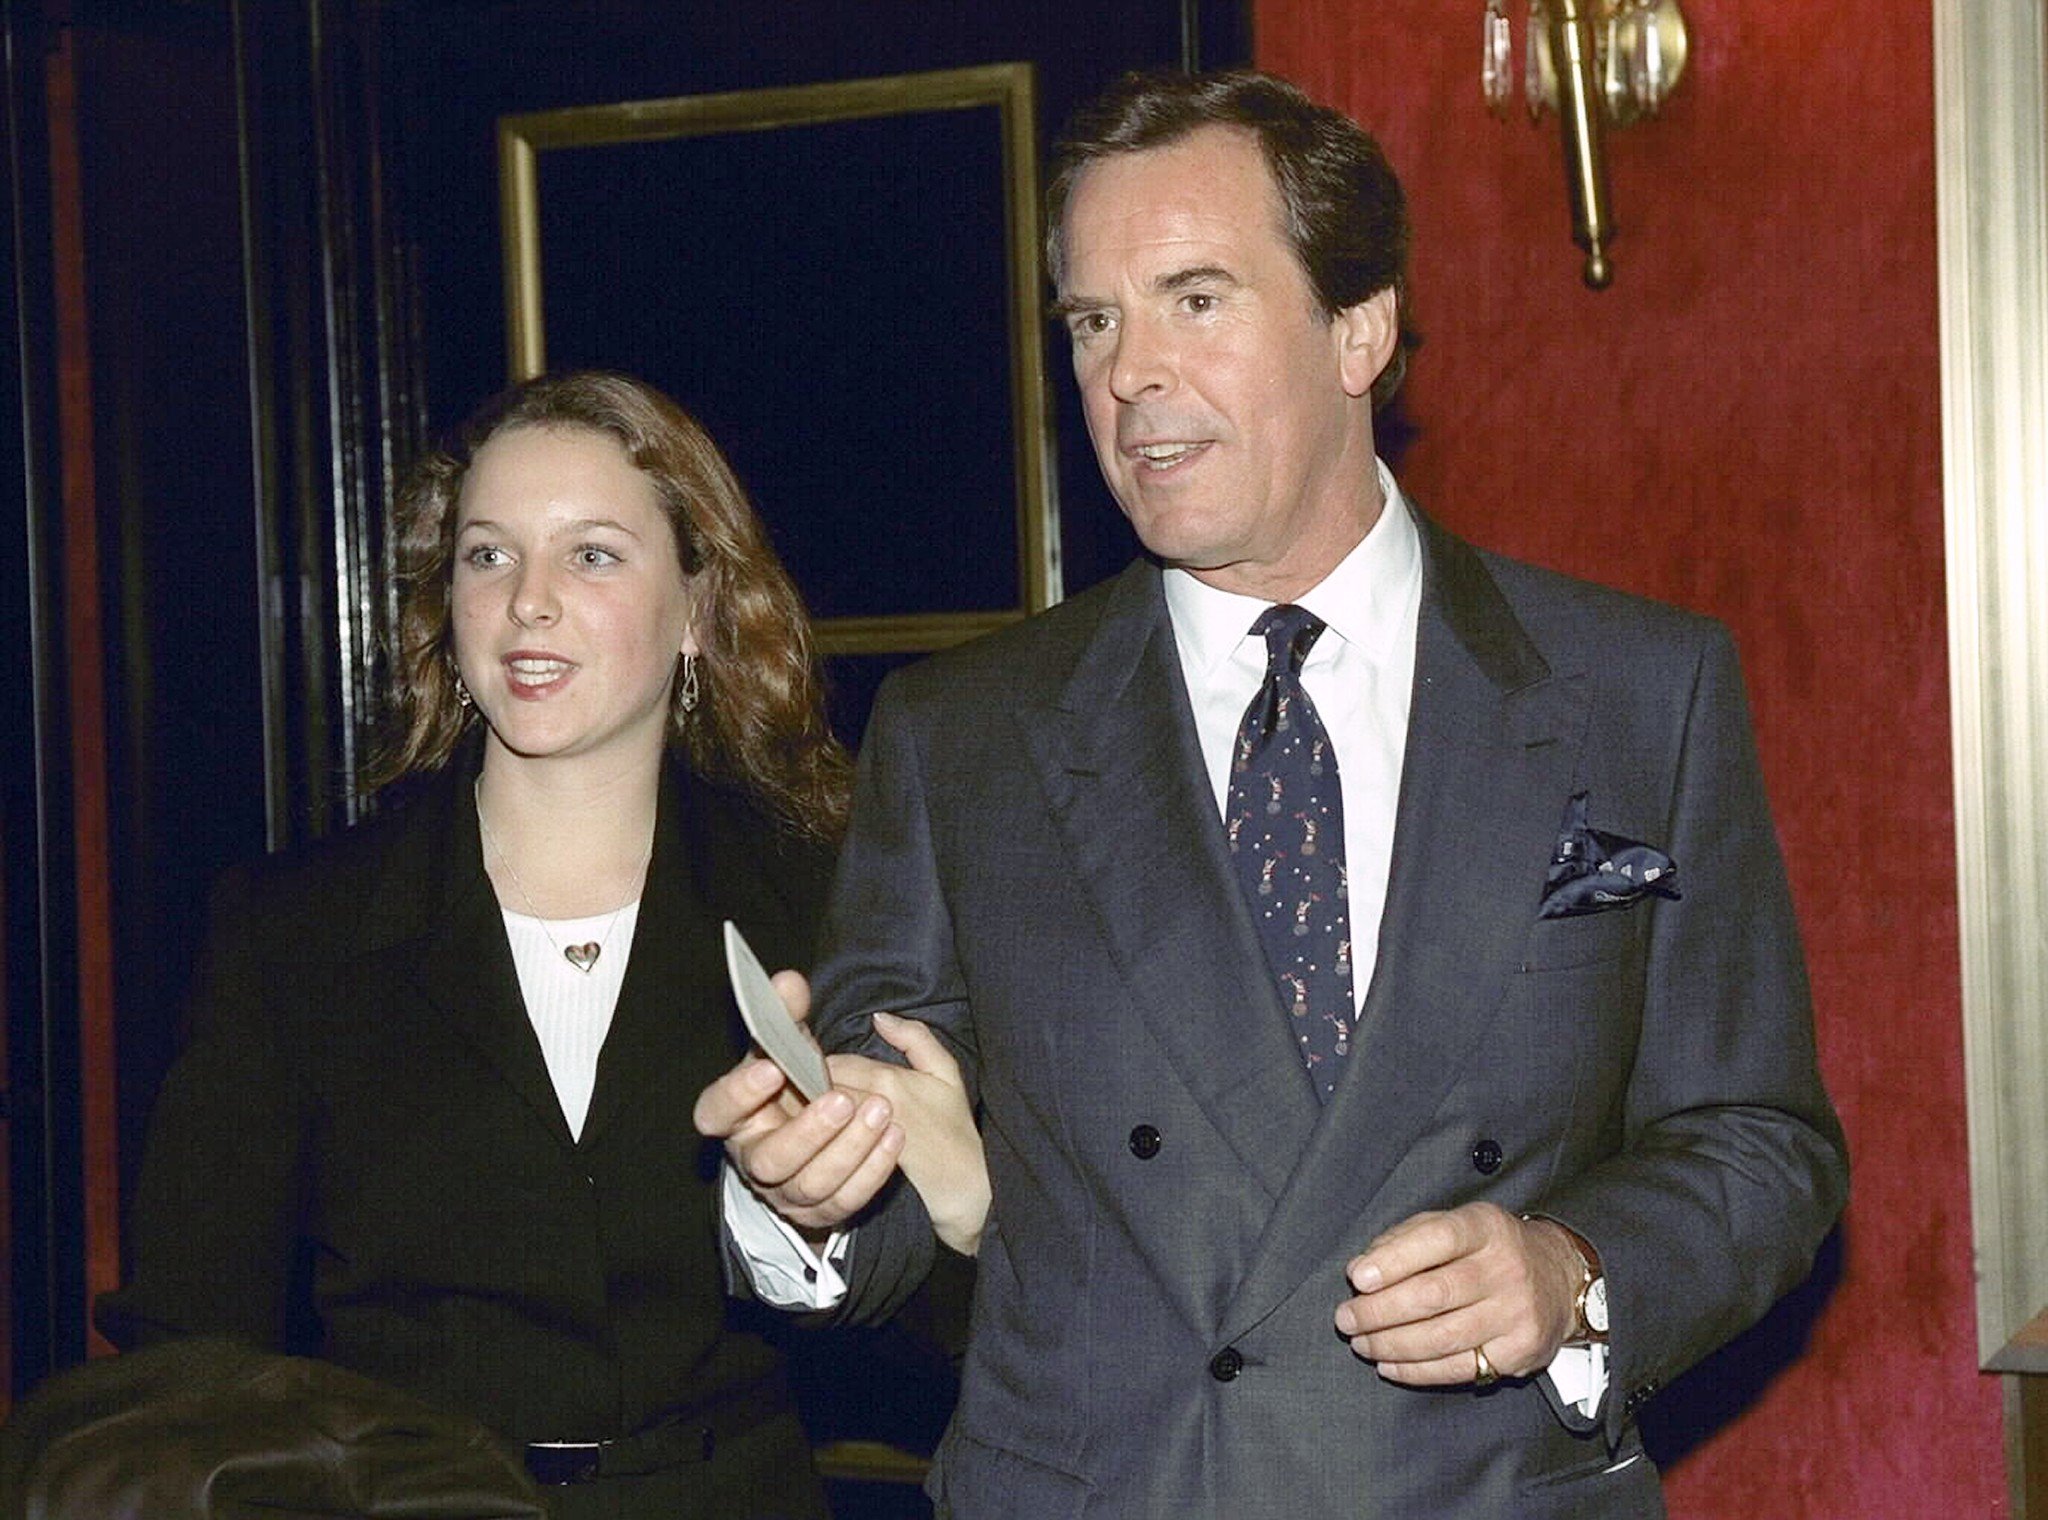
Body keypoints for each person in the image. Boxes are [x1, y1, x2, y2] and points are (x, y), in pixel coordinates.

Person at [698, 70, 1849, 1519]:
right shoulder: (964, 734)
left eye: (1194, 299)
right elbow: (902, 1189)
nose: (1127, 374)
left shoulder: (1635, 692)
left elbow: (1763, 1142)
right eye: (1093, 321)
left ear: (1358, 328)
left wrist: (1574, 1269)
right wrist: (808, 1190)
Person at [96, 370, 868, 1518]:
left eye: (593, 554)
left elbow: (964, 1310)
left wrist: (823, 1222)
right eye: (487, 555)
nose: (528, 602)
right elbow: (190, 1355)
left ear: (701, 609)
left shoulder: (825, 905)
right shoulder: (291, 930)